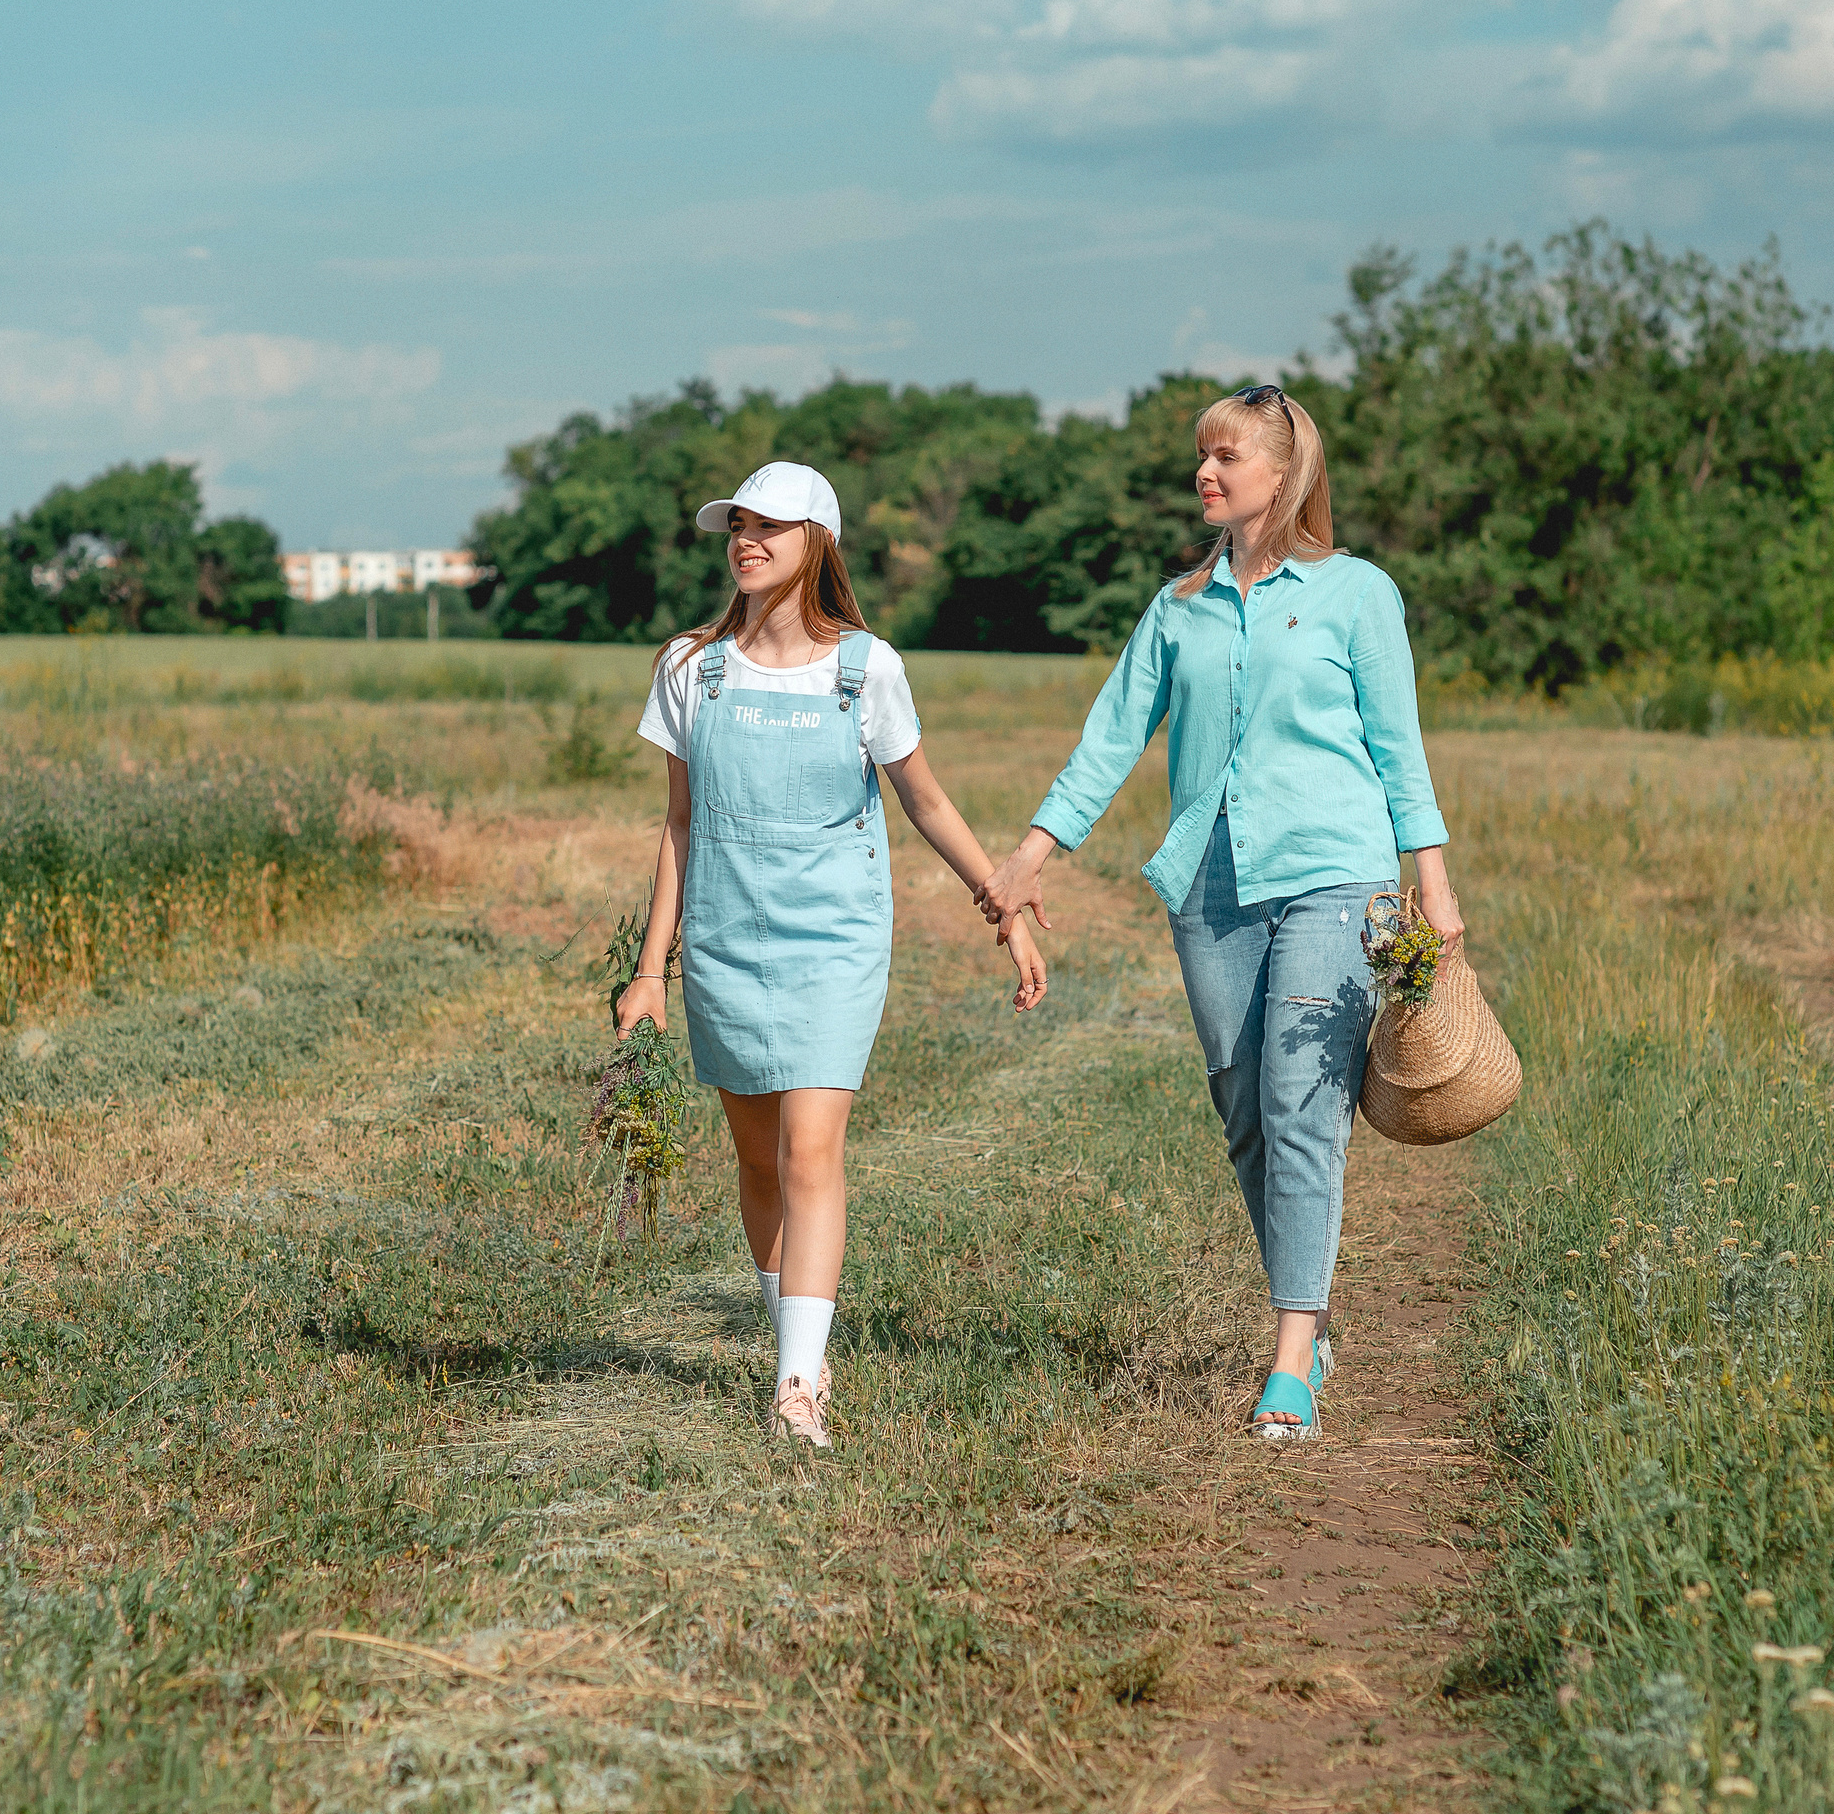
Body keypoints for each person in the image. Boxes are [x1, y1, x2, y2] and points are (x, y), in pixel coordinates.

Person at [979, 386, 1462, 1442]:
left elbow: (1399, 747)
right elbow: (1112, 736)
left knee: (1299, 1100)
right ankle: (1312, 1314)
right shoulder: (1178, 606)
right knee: (1245, 1107)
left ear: (1283, 473)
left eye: (1226, 456)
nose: (1204, 472)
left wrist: (1431, 880)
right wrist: (1029, 855)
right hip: (1210, 881)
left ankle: (1290, 1360)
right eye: (1201, 455)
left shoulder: (1356, 593)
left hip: (1334, 877)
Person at [617, 460, 1048, 1451]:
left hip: (835, 938)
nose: (746, 541)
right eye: (738, 525)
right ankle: (798, 1343)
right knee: (756, 1158)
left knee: (809, 1150)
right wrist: (649, 971)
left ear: (816, 542)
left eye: (769, 526)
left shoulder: (867, 668)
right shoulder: (689, 667)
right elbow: (679, 824)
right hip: (725, 935)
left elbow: (925, 800)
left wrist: (1003, 904)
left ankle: (797, 1387)